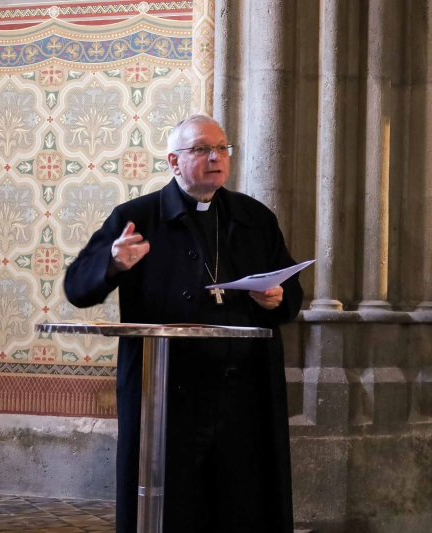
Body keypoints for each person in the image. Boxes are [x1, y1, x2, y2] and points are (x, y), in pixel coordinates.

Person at [64, 114, 303, 533]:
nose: (216, 157)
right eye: (202, 150)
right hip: (169, 399)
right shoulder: (137, 217)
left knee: (242, 507)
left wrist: (276, 299)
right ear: (174, 162)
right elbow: (76, 287)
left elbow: (291, 292)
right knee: (173, 510)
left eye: (222, 148)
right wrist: (113, 263)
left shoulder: (255, 218)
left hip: (244, 397)